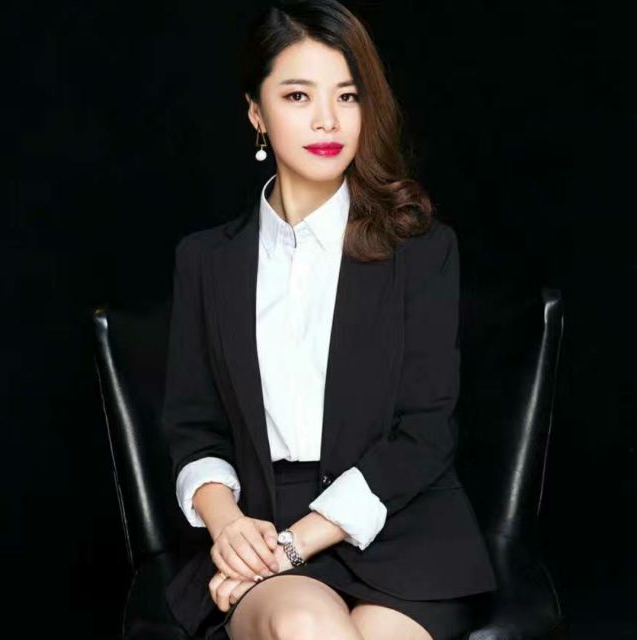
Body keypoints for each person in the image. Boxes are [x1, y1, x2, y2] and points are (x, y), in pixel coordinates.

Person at [162, 1, 497, 639]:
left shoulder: (420, 251)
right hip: (260, 524)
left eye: (347, 96)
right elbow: (193, 428)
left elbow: (425, 433)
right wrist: (230, 529)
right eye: (298, 96)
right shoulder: (206, 261)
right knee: (304, 623)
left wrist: (294, 545)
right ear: (256, 113)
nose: (327, 120)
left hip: (399, 528)